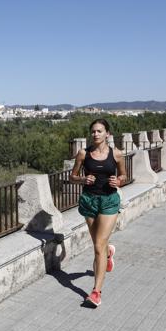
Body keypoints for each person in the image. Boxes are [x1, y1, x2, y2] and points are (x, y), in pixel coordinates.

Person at [70, 119, 126, 307]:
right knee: (98, 245)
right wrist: (83, 179)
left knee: (98, 245)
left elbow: (123, 175)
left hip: (109, 201)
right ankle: (108, 253)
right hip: (89, 201)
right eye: (93, 131)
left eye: (99, 131)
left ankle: (96, 292)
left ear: (107, 134)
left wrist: (118, 182)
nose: (95, 134)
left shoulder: (116, 154)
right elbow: (72, 177)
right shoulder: (83, 154)